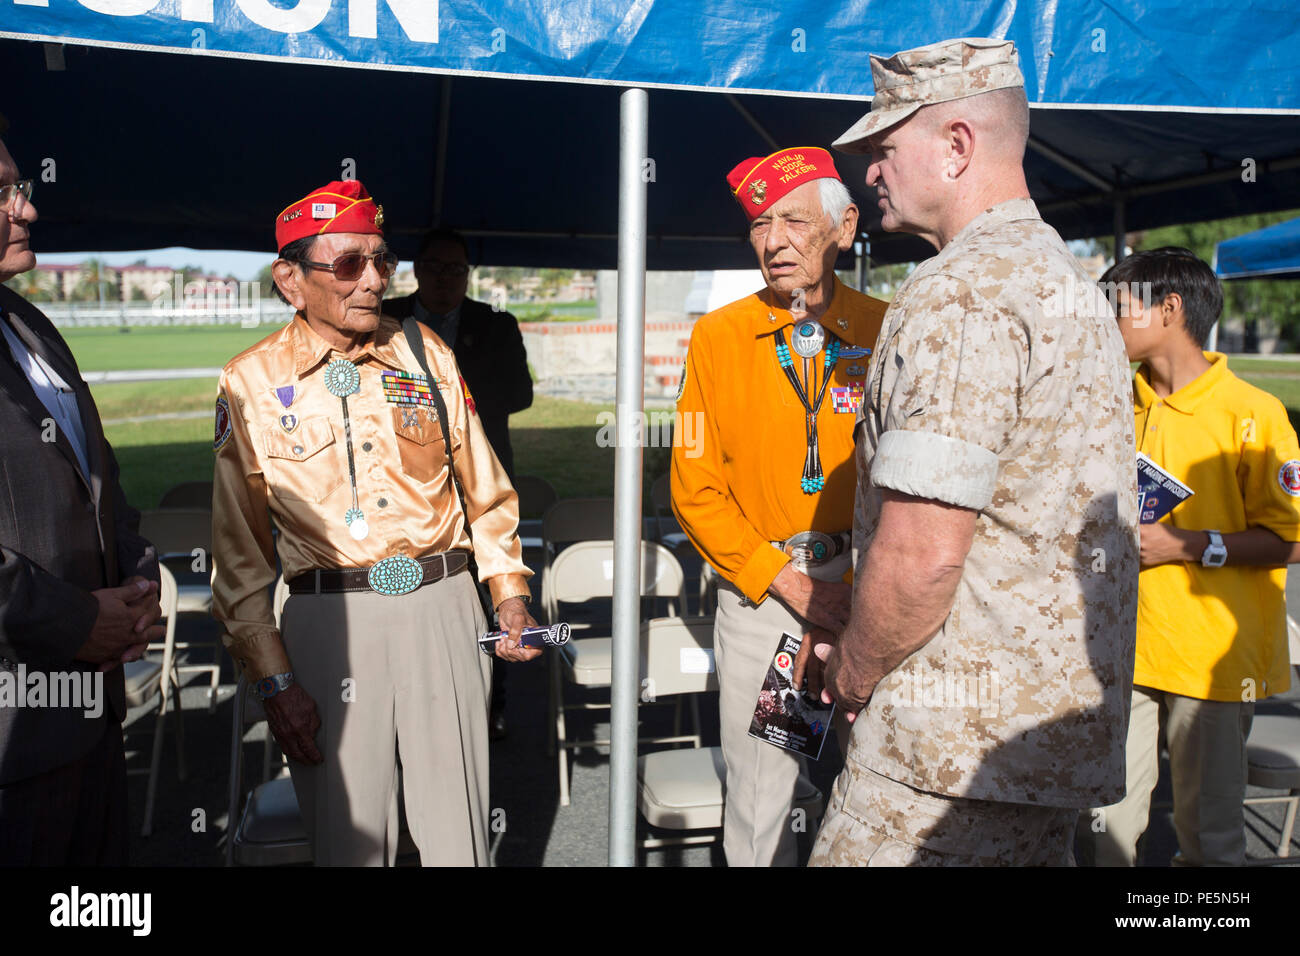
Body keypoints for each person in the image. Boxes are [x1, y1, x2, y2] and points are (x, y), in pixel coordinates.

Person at [805, 37, 1138, 866]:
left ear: (956, 145)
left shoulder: (959, 291)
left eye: (884, 149)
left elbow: (922, 553)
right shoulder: (1064, 280)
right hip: (1035, 740)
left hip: (941, 753)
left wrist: (851, 674)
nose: (868, 173)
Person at [211, 180, 538, 866]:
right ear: (290, 281)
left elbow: (488, 495)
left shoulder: (427, 355)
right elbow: (239, 560)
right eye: (348, 265)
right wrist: (275, 682)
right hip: (330, 626)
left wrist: (508, 595)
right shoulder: (249, 382)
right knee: (349, 844)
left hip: (443, 607)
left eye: (382, 261)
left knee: (460, 842)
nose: (373, 281)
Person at [671, 147, 888, 866]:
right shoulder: (720, 338)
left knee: (883, 780)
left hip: (877, 595)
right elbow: (694, 489)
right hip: (769, 600)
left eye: (794, 219)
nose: (772, 241)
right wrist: (793, 586)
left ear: (846, 224)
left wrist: (861, 589)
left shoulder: (890, 329)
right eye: (759, 225)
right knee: (764, 795)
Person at [1078, 248, 1300, 866]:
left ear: (1169, 309)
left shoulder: (1253, 414)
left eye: (1117, 309)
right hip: (1121, 654)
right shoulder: (1116, 403)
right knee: (1104, 829)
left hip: (1212, 670)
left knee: (1210, 838)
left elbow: (1295, 538)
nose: (1105, 322)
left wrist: (1188, 546)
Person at [0, 130, 163, 865]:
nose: (26, 209)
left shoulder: (31, 325)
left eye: (21, 187)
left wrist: (138, 580)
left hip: (90, 715)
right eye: (2, 194)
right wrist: (71, 620)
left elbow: (102, 482)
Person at [383, 228, 533, 741]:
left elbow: (521, 394)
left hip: (482, 477)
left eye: (456, 269)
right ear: (416, 269)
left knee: (496, 591)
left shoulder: (496, 325)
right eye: (436, 267)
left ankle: (492, 702)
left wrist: (454, 387)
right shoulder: (387, 321)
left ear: (467, 274)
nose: (445, 278)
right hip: (407, 486)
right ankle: (414, 707)